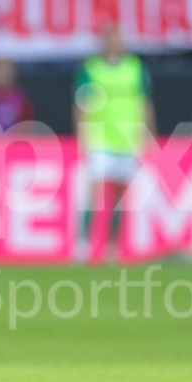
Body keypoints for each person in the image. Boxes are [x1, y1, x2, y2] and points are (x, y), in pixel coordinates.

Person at [73, 24, 155, 262]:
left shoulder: (135, 68)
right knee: (95, 189)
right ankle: (84, 244)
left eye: (118, 38)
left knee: (120, 193)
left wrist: (149, 133)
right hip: (100, 138)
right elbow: (81, 104)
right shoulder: (92, 69)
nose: (115, 43)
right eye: (110, 38)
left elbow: (144, 102)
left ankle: (112, 245)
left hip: (128, 139)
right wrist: (83, 135)